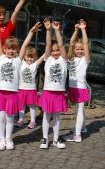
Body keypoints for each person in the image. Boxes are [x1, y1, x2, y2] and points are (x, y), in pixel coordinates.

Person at [0, 16, 22, 150]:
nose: (11, 51)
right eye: (9, 48)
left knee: (10, 117)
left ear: (17, 50)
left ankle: (9, 139)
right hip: (0, 92)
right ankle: (1, 140)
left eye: (14, 49)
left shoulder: (18, 61)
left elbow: (24, 46)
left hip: (12, 93)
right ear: (4, 49)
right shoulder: (1, 58)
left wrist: (31, 33)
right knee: (1, 116)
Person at [38, 19, 67, 149]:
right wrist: (48, 30)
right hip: (48, 91)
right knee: (46, 116)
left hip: (59, 92)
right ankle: (45, 139)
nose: (55, 52)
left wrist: (57, 30)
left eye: (57, 51)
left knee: (56, 117)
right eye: (53, 51)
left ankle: (55, 140)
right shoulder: (48, 59)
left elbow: (61, 46)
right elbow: (48, 45)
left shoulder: (63, 60)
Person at [65, 19, 90, 143]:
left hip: (80, 88)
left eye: (82, 49)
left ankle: (77, 135)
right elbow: (71, 44)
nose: (80, 51)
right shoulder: (71, 59)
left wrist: (83, 30)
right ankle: (83, 127)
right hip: (73, 87)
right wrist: (75, 31)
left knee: (79, 110)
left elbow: (85, 43)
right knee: (78, 110)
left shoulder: (85, 59)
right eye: (77, 49)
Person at [16, 22, 45, 129]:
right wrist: (31, 32)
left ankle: (33, 121)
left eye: (32, 57)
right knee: (21, 106)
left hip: (31, 89)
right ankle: (20, 119)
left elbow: (42, 57)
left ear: (34, 58)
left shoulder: (35, 65)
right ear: (24, 57)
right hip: (21, 89)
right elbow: (22, 48)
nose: (29, 59)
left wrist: (48, 49)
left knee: (32, 106)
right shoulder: (21, 63)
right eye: (28, 57)